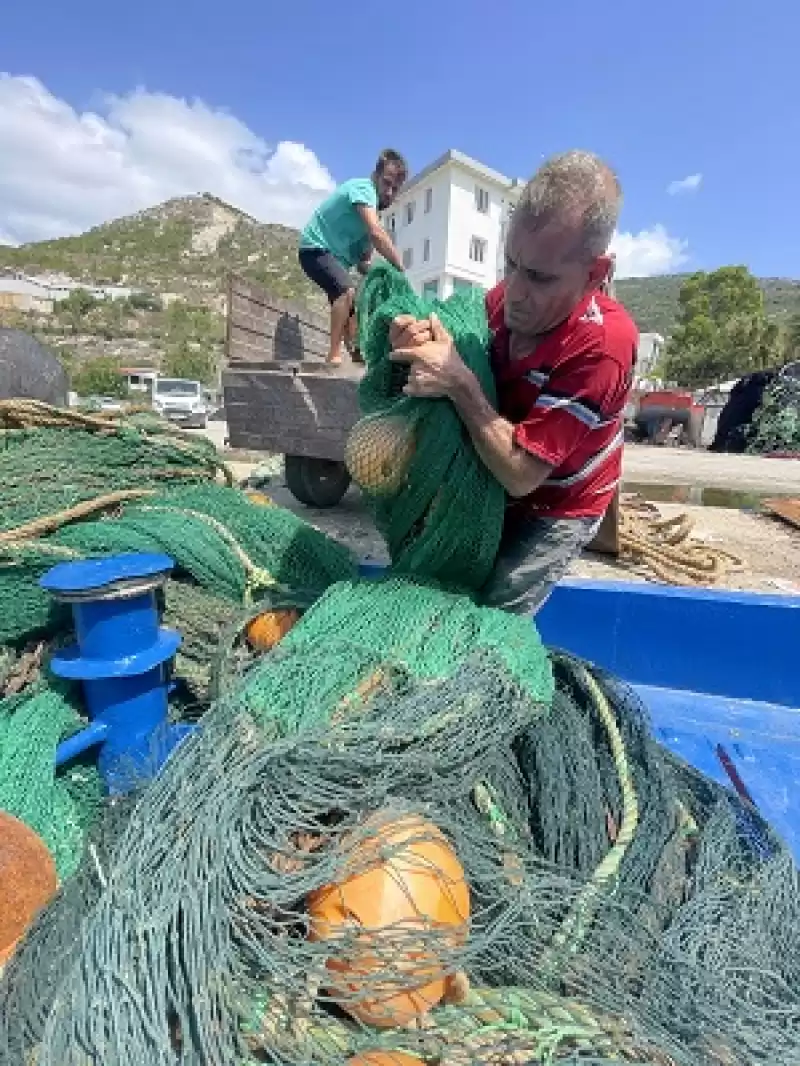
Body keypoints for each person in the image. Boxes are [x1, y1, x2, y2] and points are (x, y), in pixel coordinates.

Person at [390, 150, 638, 615]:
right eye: (510, 264)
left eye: (541, 278)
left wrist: (460, 384)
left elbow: (522, 475)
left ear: (595, 274)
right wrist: (414, 334)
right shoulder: (508, 294)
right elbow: (454, 336)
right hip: (499, 475)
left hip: (560, 501)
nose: (515, 292)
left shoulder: (603, 347)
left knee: (498, 615)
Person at [299, 149, 408, 365]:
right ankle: (333, 355)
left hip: (335, 261)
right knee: (345, 291)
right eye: (386, 183)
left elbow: (363, 263)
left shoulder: (373, 213)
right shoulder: (363, 189)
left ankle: (359, 359)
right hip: (314, 249)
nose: (389, 192)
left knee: (354, 313)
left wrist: (381, 274)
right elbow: (377, 234)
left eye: (395, 189)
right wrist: (398, 265)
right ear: (375, 176)